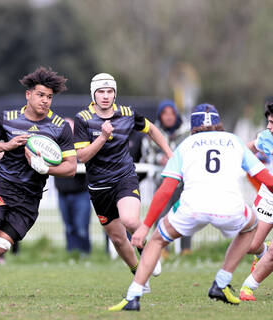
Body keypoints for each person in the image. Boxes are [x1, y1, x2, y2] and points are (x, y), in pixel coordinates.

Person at [108, 103, 273, 311]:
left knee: (157, 240)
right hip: (229, 207)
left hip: (191, 207)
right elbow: (267, 180)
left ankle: (133, 296)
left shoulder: (185, 145)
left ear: (193, 126)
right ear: (218, 122)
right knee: (250, 225)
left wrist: (145, 226)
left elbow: (166, 189)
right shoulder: (234, 141)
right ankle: (221, 282)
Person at [0, 67, 77, 288]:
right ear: (28, 94)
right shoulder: (8, 119)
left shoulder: (60, 127)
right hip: (1, 185)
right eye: (40, 95)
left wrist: (44, 168)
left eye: (49, 97)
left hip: (29, 200)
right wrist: (5, 145)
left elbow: (71, 167)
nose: (45, 101)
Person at [73, 73, 173, 291]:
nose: (106, 96)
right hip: (99, 186)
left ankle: (151, 252)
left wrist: (169, 154)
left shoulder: (127, 113)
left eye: (110, 91)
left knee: (129, 220)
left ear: (115, 93)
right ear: (94, 94)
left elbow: (152, 130)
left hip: (124, 177)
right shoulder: (82, 118)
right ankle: (140, 276)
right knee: (118, 240)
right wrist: (101, 137)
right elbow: (82, 157)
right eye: (101, 92)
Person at [141, 99, 190, 256]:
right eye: (164, 114)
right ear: (160, 116)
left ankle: (186, 249)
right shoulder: (152, 131)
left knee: (187, 213)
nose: (168, 117)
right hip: (162, 179)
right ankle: (162, 249)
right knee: (161, 214)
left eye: (171, 113)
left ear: (176, 114)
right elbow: (146, 154)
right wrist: (160, 158)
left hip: (184, 180)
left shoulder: (187, 130)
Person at [239, 101, 273, 301]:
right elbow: (245, 150)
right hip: (269, 196)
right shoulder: (267, 137)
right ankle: (264, 250)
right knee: (250, 246)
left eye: (272, 122)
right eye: (269, 121)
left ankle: (248, 287)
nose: (269, 126)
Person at [54, 118, 91, 256]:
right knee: (68, 227)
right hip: (62, 193)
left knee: (81, 227)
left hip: (81, 192)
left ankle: (84, 255)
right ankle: (71, 255)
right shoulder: (54, 147)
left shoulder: (81, 145)